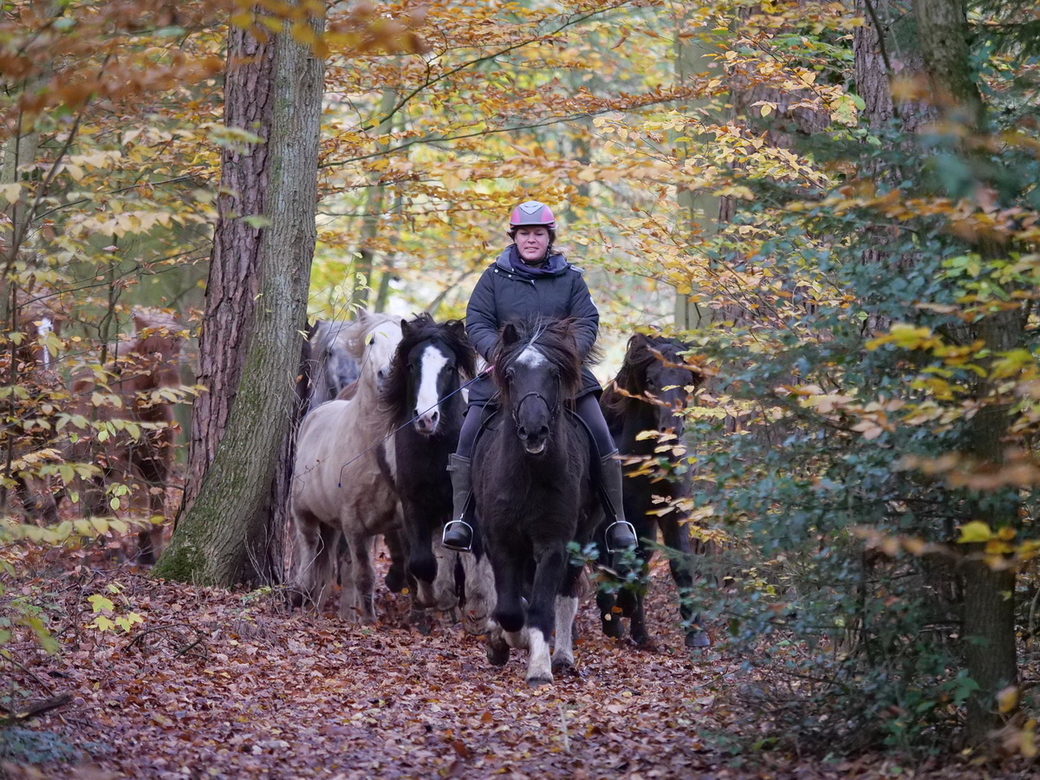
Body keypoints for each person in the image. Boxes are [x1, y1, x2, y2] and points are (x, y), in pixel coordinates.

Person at [441, 200, 637, 553]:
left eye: (538, 233)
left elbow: (588, 322)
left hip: (560, 377)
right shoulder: (493, 278)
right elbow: (477, 322)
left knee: (601, 436)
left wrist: (565, 356)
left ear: (550, 237)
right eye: (524, 233)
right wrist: (500, 355)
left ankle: (617, 521)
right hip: (506, 376)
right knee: (467, 436)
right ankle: (462, 519)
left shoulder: (571, 278)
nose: (531, 239)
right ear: (514, 237)